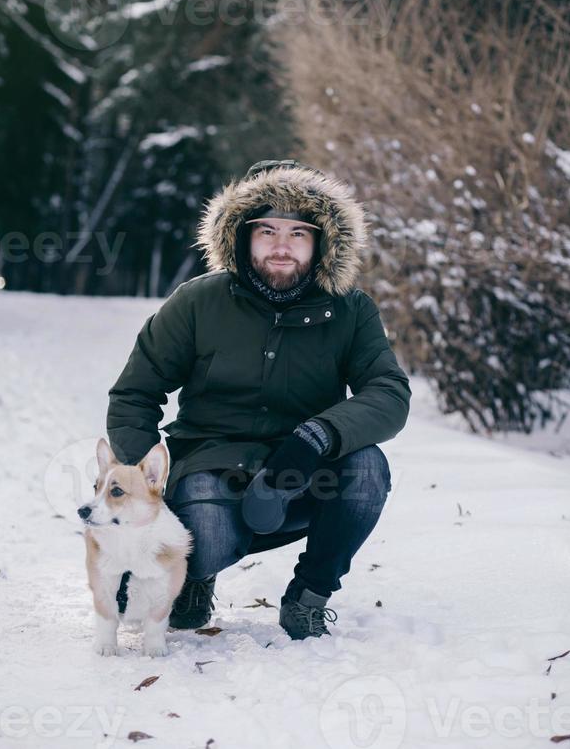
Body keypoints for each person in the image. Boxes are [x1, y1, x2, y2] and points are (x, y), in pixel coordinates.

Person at [106, 159, 411, 640]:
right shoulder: (197, 301)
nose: (282, 246)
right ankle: (193, 578)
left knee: (368, 469)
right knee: (204, 530)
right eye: (267, 230)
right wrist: (144, 481)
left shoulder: (351, 310)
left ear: (322, 242)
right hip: (209, 466)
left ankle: (309, 596)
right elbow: (134, 393)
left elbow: (389, 393)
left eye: (298, 233)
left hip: (304, 472)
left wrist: (317, 437)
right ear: (242, 237)